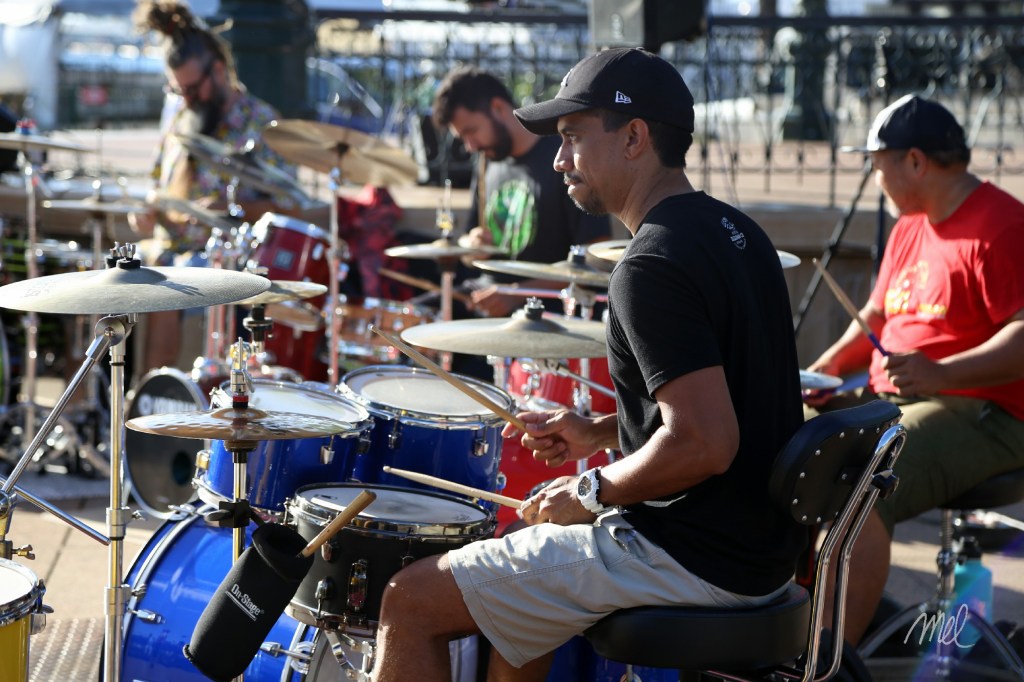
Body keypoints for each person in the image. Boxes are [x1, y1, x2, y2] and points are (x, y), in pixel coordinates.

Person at [372, 47, 806, 681]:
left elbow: (707, 443)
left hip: (690, 555)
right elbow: (733, 403)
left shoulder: (650, 266)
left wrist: (588, 491)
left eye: (573, 136)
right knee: (519, 603)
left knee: (409, 599)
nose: (558, 159)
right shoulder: (740, 235)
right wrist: (599, 430)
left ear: (634, 138)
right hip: (758, 553)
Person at [803, 94, 1024, 644]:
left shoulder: (1002, 225)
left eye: (878, 165)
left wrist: (942, 373)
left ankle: (830, 658)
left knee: (869, 476)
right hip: (899, 399)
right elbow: (877, 315)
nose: (875, 178)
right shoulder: (910, 226)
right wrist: (827, 369)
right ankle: (795, 620)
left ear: (916, 162)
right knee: (788, 439)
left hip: (982, 409)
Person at [129, 0, 296, 373]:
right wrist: (146, 212)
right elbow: (156, 188)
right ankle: (110, 396)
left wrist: (230, 209)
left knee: (172, 287)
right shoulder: (180, 119)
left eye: (192, 89)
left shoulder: (261, 124)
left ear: (218, 70)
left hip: (225, 258)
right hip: (168, 249)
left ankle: (157, 392)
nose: (187, 99)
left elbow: (288, 208)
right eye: (179, 91)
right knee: (103, 282)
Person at [430, 66, 611, 318]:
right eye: (463, 138)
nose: (470, 146)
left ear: (498, 108)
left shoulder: (563, 161)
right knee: (418, 317)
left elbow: (596, 257)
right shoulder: (487, 161)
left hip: (543, 311)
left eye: (471, 131)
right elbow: (466, 243)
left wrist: (518, 293)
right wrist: (472, 245)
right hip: (486, 293)